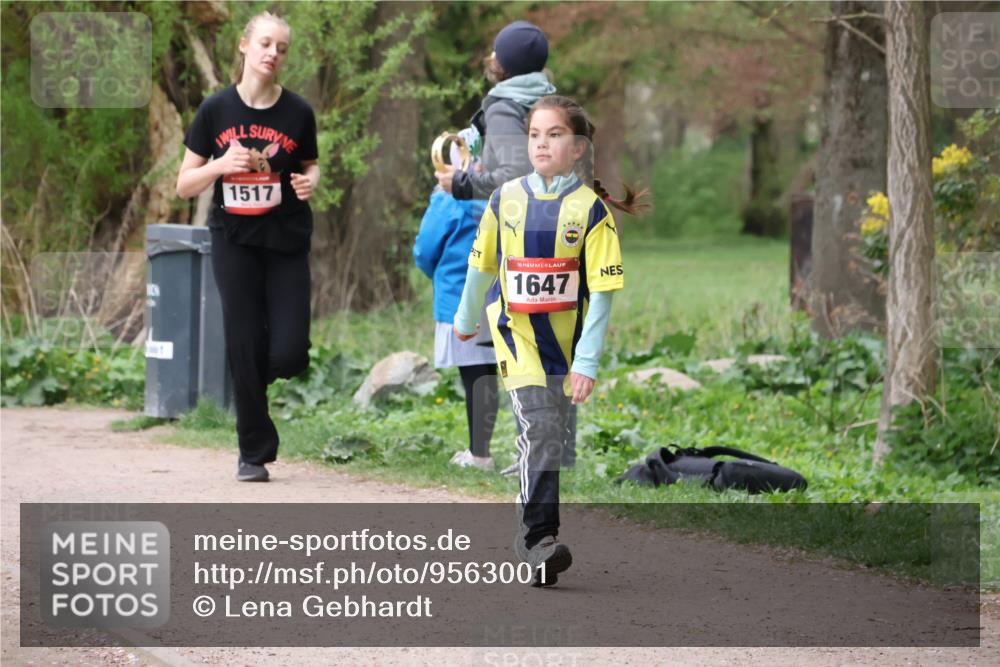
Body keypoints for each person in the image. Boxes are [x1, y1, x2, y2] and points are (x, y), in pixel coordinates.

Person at [453, 95, 647, 586]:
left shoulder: (592, 212)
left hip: (565, 345)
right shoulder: (505, 199)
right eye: (535, 135)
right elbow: (482, 264)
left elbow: (602, 295)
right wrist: (466, 317)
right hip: (515, 335)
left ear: (578, 148)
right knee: (539, 429)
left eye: (554, 135)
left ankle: (540, 554)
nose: (542, 143)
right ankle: (538, 540)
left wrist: (587, 362)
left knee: (551, 439)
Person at [175, 11, 319, 482]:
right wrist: (220, 165)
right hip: (233, 238)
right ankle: (253, 454)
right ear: (244, 46)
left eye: (281, 48)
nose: (273, 53)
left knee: (290, 353)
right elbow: (184, 184)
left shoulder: (298, 112)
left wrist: (310, 182)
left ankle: (252, 373)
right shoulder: (215, 110)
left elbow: (310, 164)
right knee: (243, 339)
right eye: (265, 43)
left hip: (285, 239)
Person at [427, 19, 558, 473]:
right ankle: (538, 449)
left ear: (502, 62)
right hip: (555, 235)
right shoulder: (548, 100)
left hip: (518, 239)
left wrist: (461, 182)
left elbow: (514, 176)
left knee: (515, 343)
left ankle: (529, 453)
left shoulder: (504, 104)